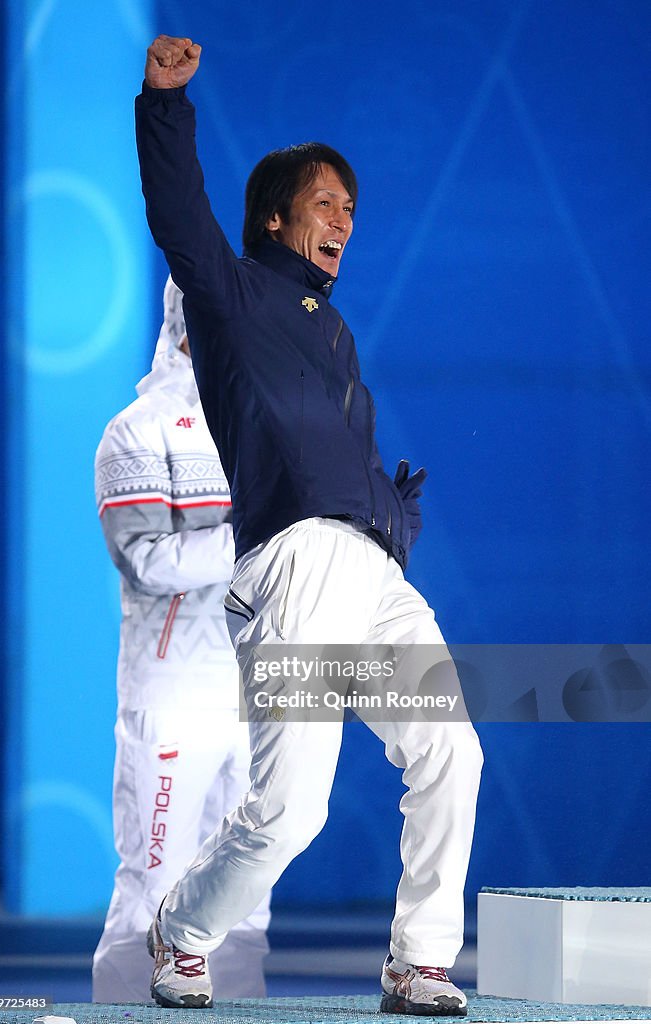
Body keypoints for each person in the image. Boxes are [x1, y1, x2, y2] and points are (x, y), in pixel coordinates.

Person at [134, 34, 483, 1015]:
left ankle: (418, 959)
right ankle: (182, 928)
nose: (344, 220)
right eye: (326, 202)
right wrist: (165, 102)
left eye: (351, 210)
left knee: (451, 751)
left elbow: (331, 458)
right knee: (290, 809)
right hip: (291, 567)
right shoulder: (232, 293)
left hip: (369, 575)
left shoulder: (330, 328)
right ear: (274, 216)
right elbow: (176, 214)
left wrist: (388, 513)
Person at [92, 275, 270, 1002]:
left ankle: (243, 1015)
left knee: (244, 895)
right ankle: (122, 1014)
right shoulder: (137, 429)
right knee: (155, 882)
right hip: (171, 692)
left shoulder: (269, 427)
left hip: (255, 694)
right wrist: (258, 536)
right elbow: (147, 559)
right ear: (186, 318)